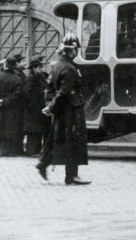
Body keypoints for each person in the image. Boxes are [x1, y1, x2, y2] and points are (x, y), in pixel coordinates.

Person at [36, 33, 91, 185]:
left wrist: (50, 106)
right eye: (75, 49)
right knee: (74, 140)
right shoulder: (70, 69)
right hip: (71, 109)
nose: (77, 52)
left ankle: (44, 163)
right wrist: (51, 107)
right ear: (69, 51)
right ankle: (71, 175)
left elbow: (50, 89)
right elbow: (64, 92)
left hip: (62, 110)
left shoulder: (56, 66)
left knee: (59, 139)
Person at [0, 56, 24, 157]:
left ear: (5, 65)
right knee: (8, 129)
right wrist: (5, 101)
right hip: (10, 108)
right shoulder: (17, 79)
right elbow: (17, 94)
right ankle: (7, 151)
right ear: (15, 66)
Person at [22, 58, 49, 156]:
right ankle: (31, 151)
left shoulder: (39, 77)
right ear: (34, 68)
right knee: (33, 130)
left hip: (38, 108)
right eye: (39, 67)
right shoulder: (31, 78)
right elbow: (26, 92)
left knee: (38, 130)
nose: (41, 69)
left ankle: (36, 150)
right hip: (33, 108)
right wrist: (32, 103)